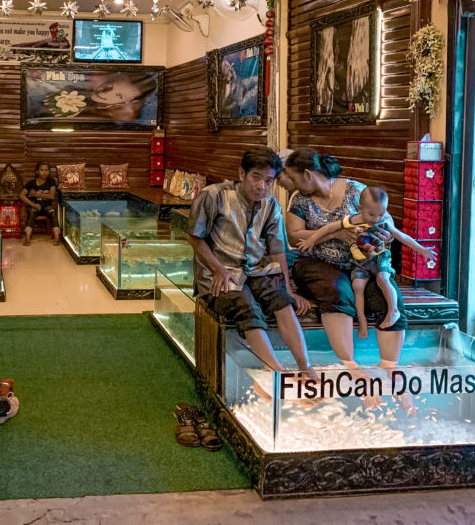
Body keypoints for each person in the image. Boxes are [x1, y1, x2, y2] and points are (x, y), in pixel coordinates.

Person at [281, 148, 410, 402]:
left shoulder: (356, 190)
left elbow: (386, 222)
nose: (292, 185)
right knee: (337, 291)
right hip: (316, 261)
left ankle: (391, 370)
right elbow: (294, 235)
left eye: (294, 179)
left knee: (385, 294)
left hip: (360, 263)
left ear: (307, 174)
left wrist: (383, 235)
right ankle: (353, 369)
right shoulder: (300, 200)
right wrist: (334, 233)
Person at [186, 148, 317, 380]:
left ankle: (305, 367)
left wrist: (287, 290)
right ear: (242, 173)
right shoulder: (214, 196)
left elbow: (278, 252)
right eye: (256, 177)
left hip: (256, 272)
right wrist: (218, 268)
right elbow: (195, 237)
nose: (262, 186)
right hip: (217, 275)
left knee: (282, 302)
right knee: (246, 306)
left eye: (269, 181)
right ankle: (278, 374)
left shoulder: (272, 206)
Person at [300, 186, 436, 337]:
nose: (376, 219)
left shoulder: (383, 222)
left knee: (382, 279)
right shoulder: (351, 220)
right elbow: (329, 228)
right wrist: (311, 240)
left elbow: (402, 236)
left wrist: (422, 250)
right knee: (357, 286)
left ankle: (394, 310)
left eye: (381, 214)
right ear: (360, 208)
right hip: (360, 262)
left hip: (380, 259)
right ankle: (362, 322)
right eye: (371, 214)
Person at [19, 162, 59, 245]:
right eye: (42, 170)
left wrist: (36, 194)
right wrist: (33, 204)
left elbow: (51, 196)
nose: (44, 172)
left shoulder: (51, 182)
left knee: (52, 211)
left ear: (49, 172)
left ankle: (56, 236)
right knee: (32, 212)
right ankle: (27, 237)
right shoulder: (32, 183)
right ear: (37, 171)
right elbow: (21, 195)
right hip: (35, 205)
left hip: (47, 206)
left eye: (46, 170)